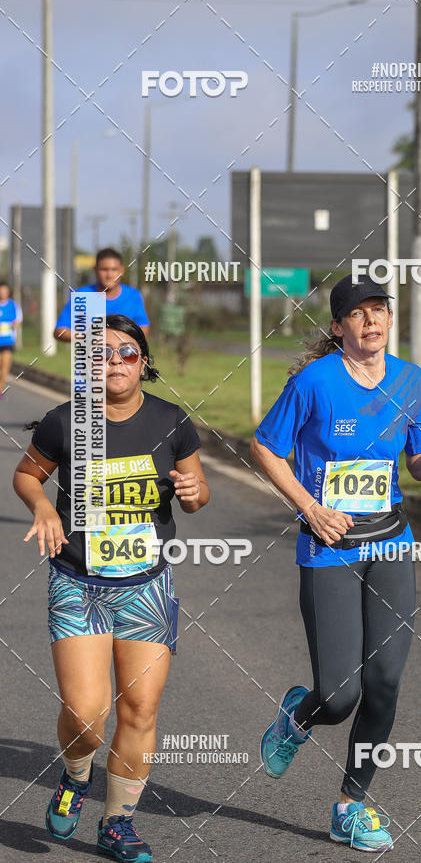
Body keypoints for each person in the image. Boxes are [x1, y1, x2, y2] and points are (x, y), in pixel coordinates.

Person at [251, 273, 421, 853]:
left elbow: (416, 464)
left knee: (386, 682)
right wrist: (311, 508)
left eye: (380, 311)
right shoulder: (314, 383)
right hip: (330, 547)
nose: (372, 321)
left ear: (391, 320)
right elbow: (266, 446)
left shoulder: (412, 380)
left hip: (390, 542)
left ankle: (352, 804)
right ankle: (300, 713)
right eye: (359, 313)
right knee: (339, 695)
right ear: (339, 326)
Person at [13, 314, 209, 862]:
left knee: (140, 709)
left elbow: (196, 496)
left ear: (143, 362)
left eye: (127, 353)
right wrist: (45, 506)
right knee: (85, 715)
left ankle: (118, 821)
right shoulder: (63, 423)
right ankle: (76, 775)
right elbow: (27, 474)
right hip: (78, 581)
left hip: (147, 584)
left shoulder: (172, 422)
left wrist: (194, 491)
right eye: (101, 354)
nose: (115, 362)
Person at [54, 248, 149, 341]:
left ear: (121, 271)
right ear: (95, 270)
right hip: (91, 356)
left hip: (122, 356)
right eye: (104, 269)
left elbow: (143, 327)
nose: (109, 275)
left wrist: (125, 342)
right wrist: (89, 336)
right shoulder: (82, 295)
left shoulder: (133, 296)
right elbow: (60, 331)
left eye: (114, 269)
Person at [0, 281, 23, 398]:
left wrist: (14, 324)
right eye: (1, 290)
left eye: (5, 290)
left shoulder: (13, 305)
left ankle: (0, 389)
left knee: (5, 365)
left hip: (7, 340)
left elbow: (19, 320)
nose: (3, 293)